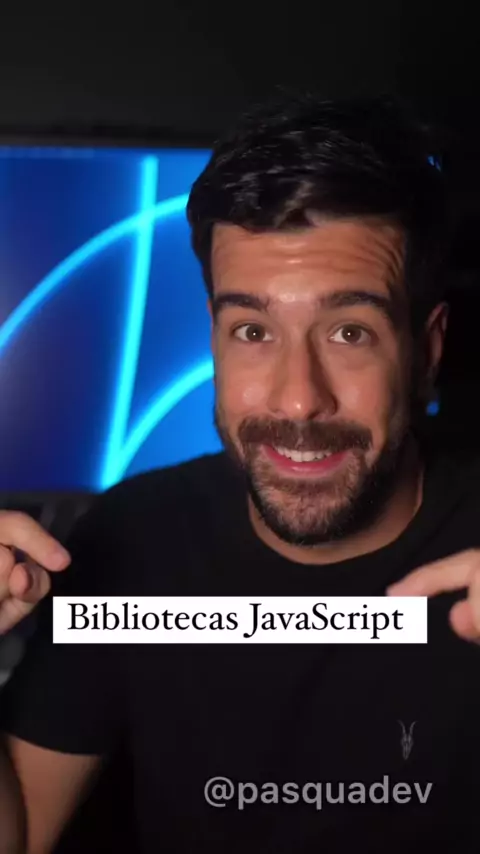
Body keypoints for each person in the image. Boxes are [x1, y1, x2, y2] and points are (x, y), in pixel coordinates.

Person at [1, 93, 480, 854]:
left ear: (427, 352)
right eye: (253, 330)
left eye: (349, 332)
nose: (297, 399)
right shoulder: (131, 538)